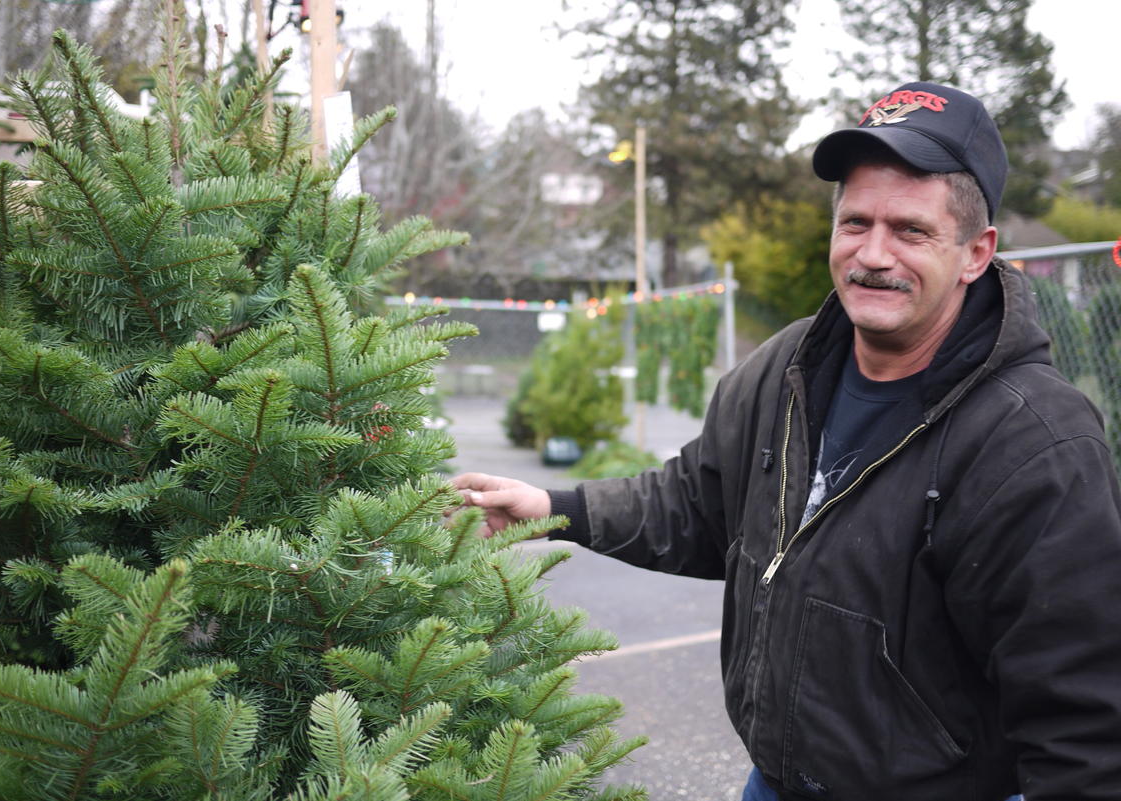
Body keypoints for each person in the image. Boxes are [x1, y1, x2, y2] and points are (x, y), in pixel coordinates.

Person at [453, 81, 1121, 801]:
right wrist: (553, 504)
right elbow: (696, 501)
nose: (872, 253)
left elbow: (1082, 723)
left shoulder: (1035, 444)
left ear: (975, 252)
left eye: (910, 230)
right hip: (773, 783)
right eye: (855, 221)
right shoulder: (786, 369)